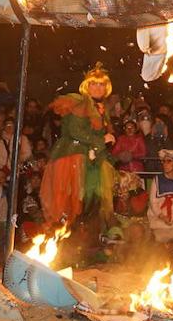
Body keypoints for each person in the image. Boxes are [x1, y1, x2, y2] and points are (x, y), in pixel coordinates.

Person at [40, 63, 117, 227]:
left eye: (101, 84)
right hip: (73, 156)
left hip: (91, 159)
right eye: (94, 83)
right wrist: (101, 140)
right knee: (72, 204)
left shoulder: (101, 108)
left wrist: (101, 144)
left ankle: (85, 245)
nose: (97, 88)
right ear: (87, 86)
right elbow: (76, 131)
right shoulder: (80, 103)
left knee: (89, 205)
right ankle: (64, 243)